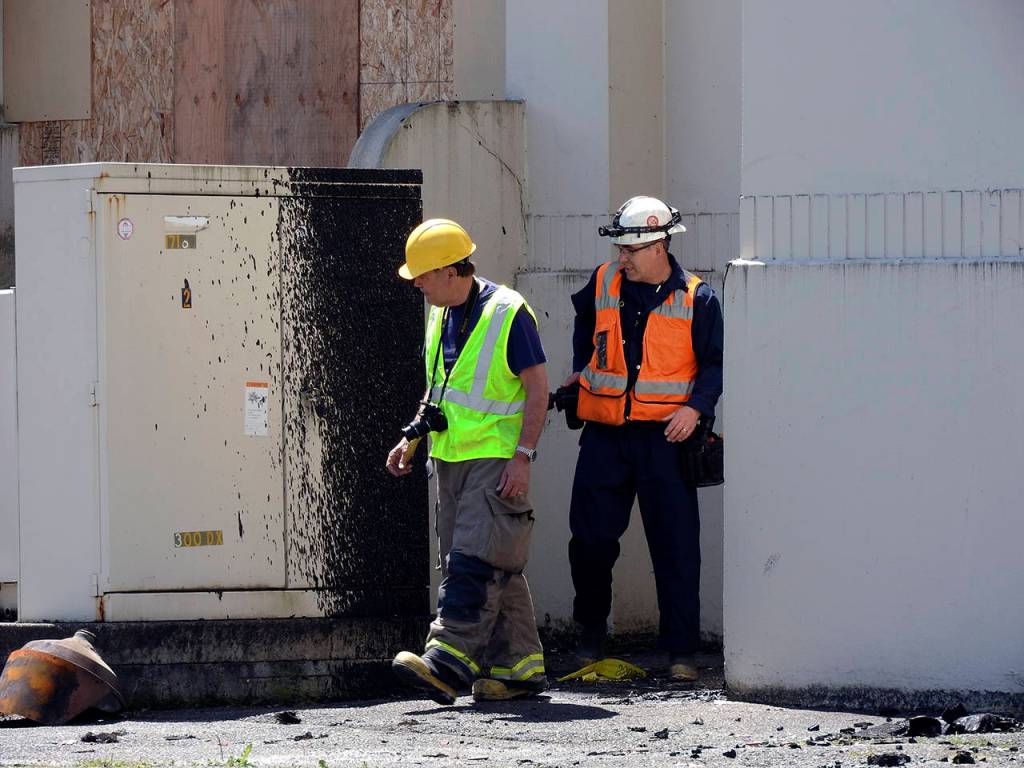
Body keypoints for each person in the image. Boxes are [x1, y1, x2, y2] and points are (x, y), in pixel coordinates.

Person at [386, 218, 550, 704]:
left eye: (423, 275)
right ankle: (520, 668)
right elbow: (441, 389)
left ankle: (446, 662)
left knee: (473, 562)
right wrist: (412, 439)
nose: (416, 283)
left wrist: (523, 457)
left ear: (452, 270)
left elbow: (537, 387)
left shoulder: (508, 312)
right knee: (495, 560)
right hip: (450, 457)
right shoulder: (440, 314)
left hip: (496, 457)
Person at [564, 196, 723, 681]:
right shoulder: (603, 282)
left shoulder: (699, 298)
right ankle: (590, 635)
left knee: (676, 549)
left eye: (632, 250)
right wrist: (580, 373)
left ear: (661, 246)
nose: (623, 259)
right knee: (589, 542)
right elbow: (585, 328)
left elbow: (716, 364)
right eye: (621, 249)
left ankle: (681, 654)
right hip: (606, 435)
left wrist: (696, 408)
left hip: (665, 443)